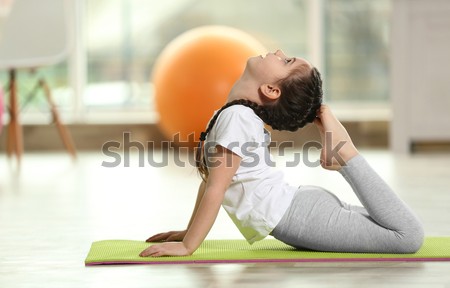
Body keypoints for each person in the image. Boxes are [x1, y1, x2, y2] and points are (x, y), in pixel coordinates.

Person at [139, 50, 424, 257]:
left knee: (406, 236)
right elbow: (212, 182)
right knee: (396, 229)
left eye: (286, 60)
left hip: (300, 216)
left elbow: (216, 187)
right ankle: (341, 149)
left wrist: (189, 245)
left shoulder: (236, 117)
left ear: (272, 89)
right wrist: (188, 234)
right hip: (301, 210)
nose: (278, 52)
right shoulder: (236, 116)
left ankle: (345, 153)